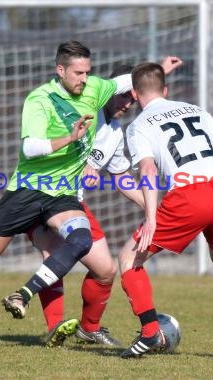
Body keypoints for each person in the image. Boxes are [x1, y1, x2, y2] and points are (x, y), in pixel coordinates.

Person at [0, 40, 181, 345]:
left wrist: (152, 208)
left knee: (90, 253)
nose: (84, 79)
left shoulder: (103, 104)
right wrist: (70, 138)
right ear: (60, 70)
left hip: (64, 199)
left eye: (88, 72)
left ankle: (28, 298)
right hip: (27, 192)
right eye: (78, 73)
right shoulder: (40, 99)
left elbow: (121, 173)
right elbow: (29, 148)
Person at [117, 62, 213, 359]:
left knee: (128, 258)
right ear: (166, 90)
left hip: (188, 197)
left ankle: (150, 333)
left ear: (135, 94)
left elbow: (147, 169)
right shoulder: (194, 109)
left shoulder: (139, 125)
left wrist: (151, 216)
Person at [30, 64, 147, 348]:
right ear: (109, 91)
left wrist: (152, 206)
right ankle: (55, 326)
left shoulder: (116, 132)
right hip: (42, 194)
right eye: (124, 96)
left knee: (106, 270)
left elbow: (120, 177)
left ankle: (88, 328)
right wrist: (79, 164)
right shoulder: (80, 110)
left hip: (74, 204)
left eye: (134, 99)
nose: (129, 104)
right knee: (51, 252)